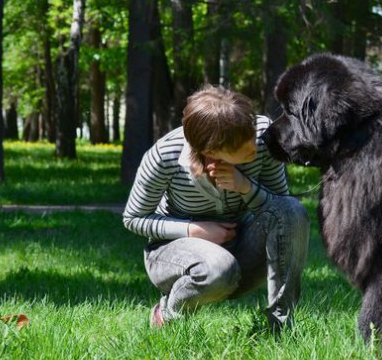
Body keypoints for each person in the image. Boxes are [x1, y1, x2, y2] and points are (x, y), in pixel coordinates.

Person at [123, 86, 309, 330]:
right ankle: (167, 315)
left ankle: (281, 326)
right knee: (217, 268)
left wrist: (245, 187)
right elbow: (133, 218)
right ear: (212, 151)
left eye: (251, 133)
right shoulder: (164, 155)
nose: (255, 145)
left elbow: (281, 209)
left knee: (293, 210)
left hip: (240, 247)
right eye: (243, 145)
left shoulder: (263, 135)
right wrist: (195, 230)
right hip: (172, 253)